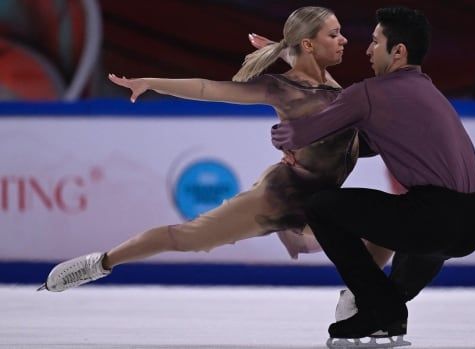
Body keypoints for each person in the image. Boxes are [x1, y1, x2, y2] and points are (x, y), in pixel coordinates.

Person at [38, 7, 395, 300]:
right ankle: (99, 263)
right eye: (334, 34)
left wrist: (278, 46)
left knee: (387, 231)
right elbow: (209, 88)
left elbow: (301, 60)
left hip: (323, 203)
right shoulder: (281, 88)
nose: (344, 39)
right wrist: (150, 83)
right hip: (280, 197)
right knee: (187, 237)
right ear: (309, 44)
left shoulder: (330, 83)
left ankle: (358, 297)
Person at [271, 6, 475, 342]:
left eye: (375, 42)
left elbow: (298, 133)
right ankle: (386, 313)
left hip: (433, 218)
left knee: (321, 208)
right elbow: (369, 142)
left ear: (398, 51)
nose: (369, 50)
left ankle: (383, 310)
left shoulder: (371, 93)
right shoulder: (428, 90)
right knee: (404, 260)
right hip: (474, 222)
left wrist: (281, 136)